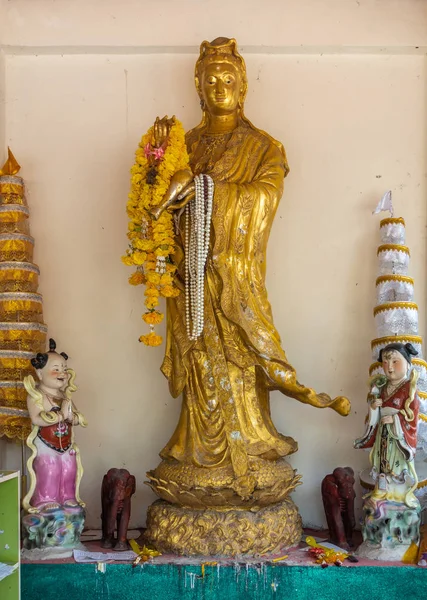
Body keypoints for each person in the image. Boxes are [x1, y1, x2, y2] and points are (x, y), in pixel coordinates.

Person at [154, 37, 350, 496]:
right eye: (210, 80)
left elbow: (264, 201)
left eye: (229, 79)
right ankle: (197, 454)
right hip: (191, 283)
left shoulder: (264, 147)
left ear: (243, 88)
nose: (220, 87)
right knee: (202, 365)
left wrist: (204, 190)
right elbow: (156, 213)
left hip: (236, 280)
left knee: (243, 363)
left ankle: (254, 447)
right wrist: (158, 165)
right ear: (197, 87)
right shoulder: (186, 145)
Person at [23, 338, 87, 513]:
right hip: (46, 444)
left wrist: (73, 417)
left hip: (66, 443)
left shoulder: (64, 396)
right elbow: (36, 419)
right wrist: (59, 416)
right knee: (50, 469)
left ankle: (67, 497)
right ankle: (46, 499)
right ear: (40, 374)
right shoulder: (36, 396)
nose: (62, 373)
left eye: (64, 370)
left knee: (69, 469)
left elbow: (72, 417)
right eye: (56, 369)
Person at [354, 342, 419, 508]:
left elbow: (413, 413)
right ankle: (382, 490)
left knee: (395, 465)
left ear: (407, 363)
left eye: (395, 362)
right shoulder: (382, 387)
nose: (389, 368)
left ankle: (398, 492)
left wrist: (397, 419)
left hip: (397, 435)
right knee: (382, 461)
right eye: (385, 362)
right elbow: (375, 413)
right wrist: (374, 407)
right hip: (383, 431)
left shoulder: (408, 388)